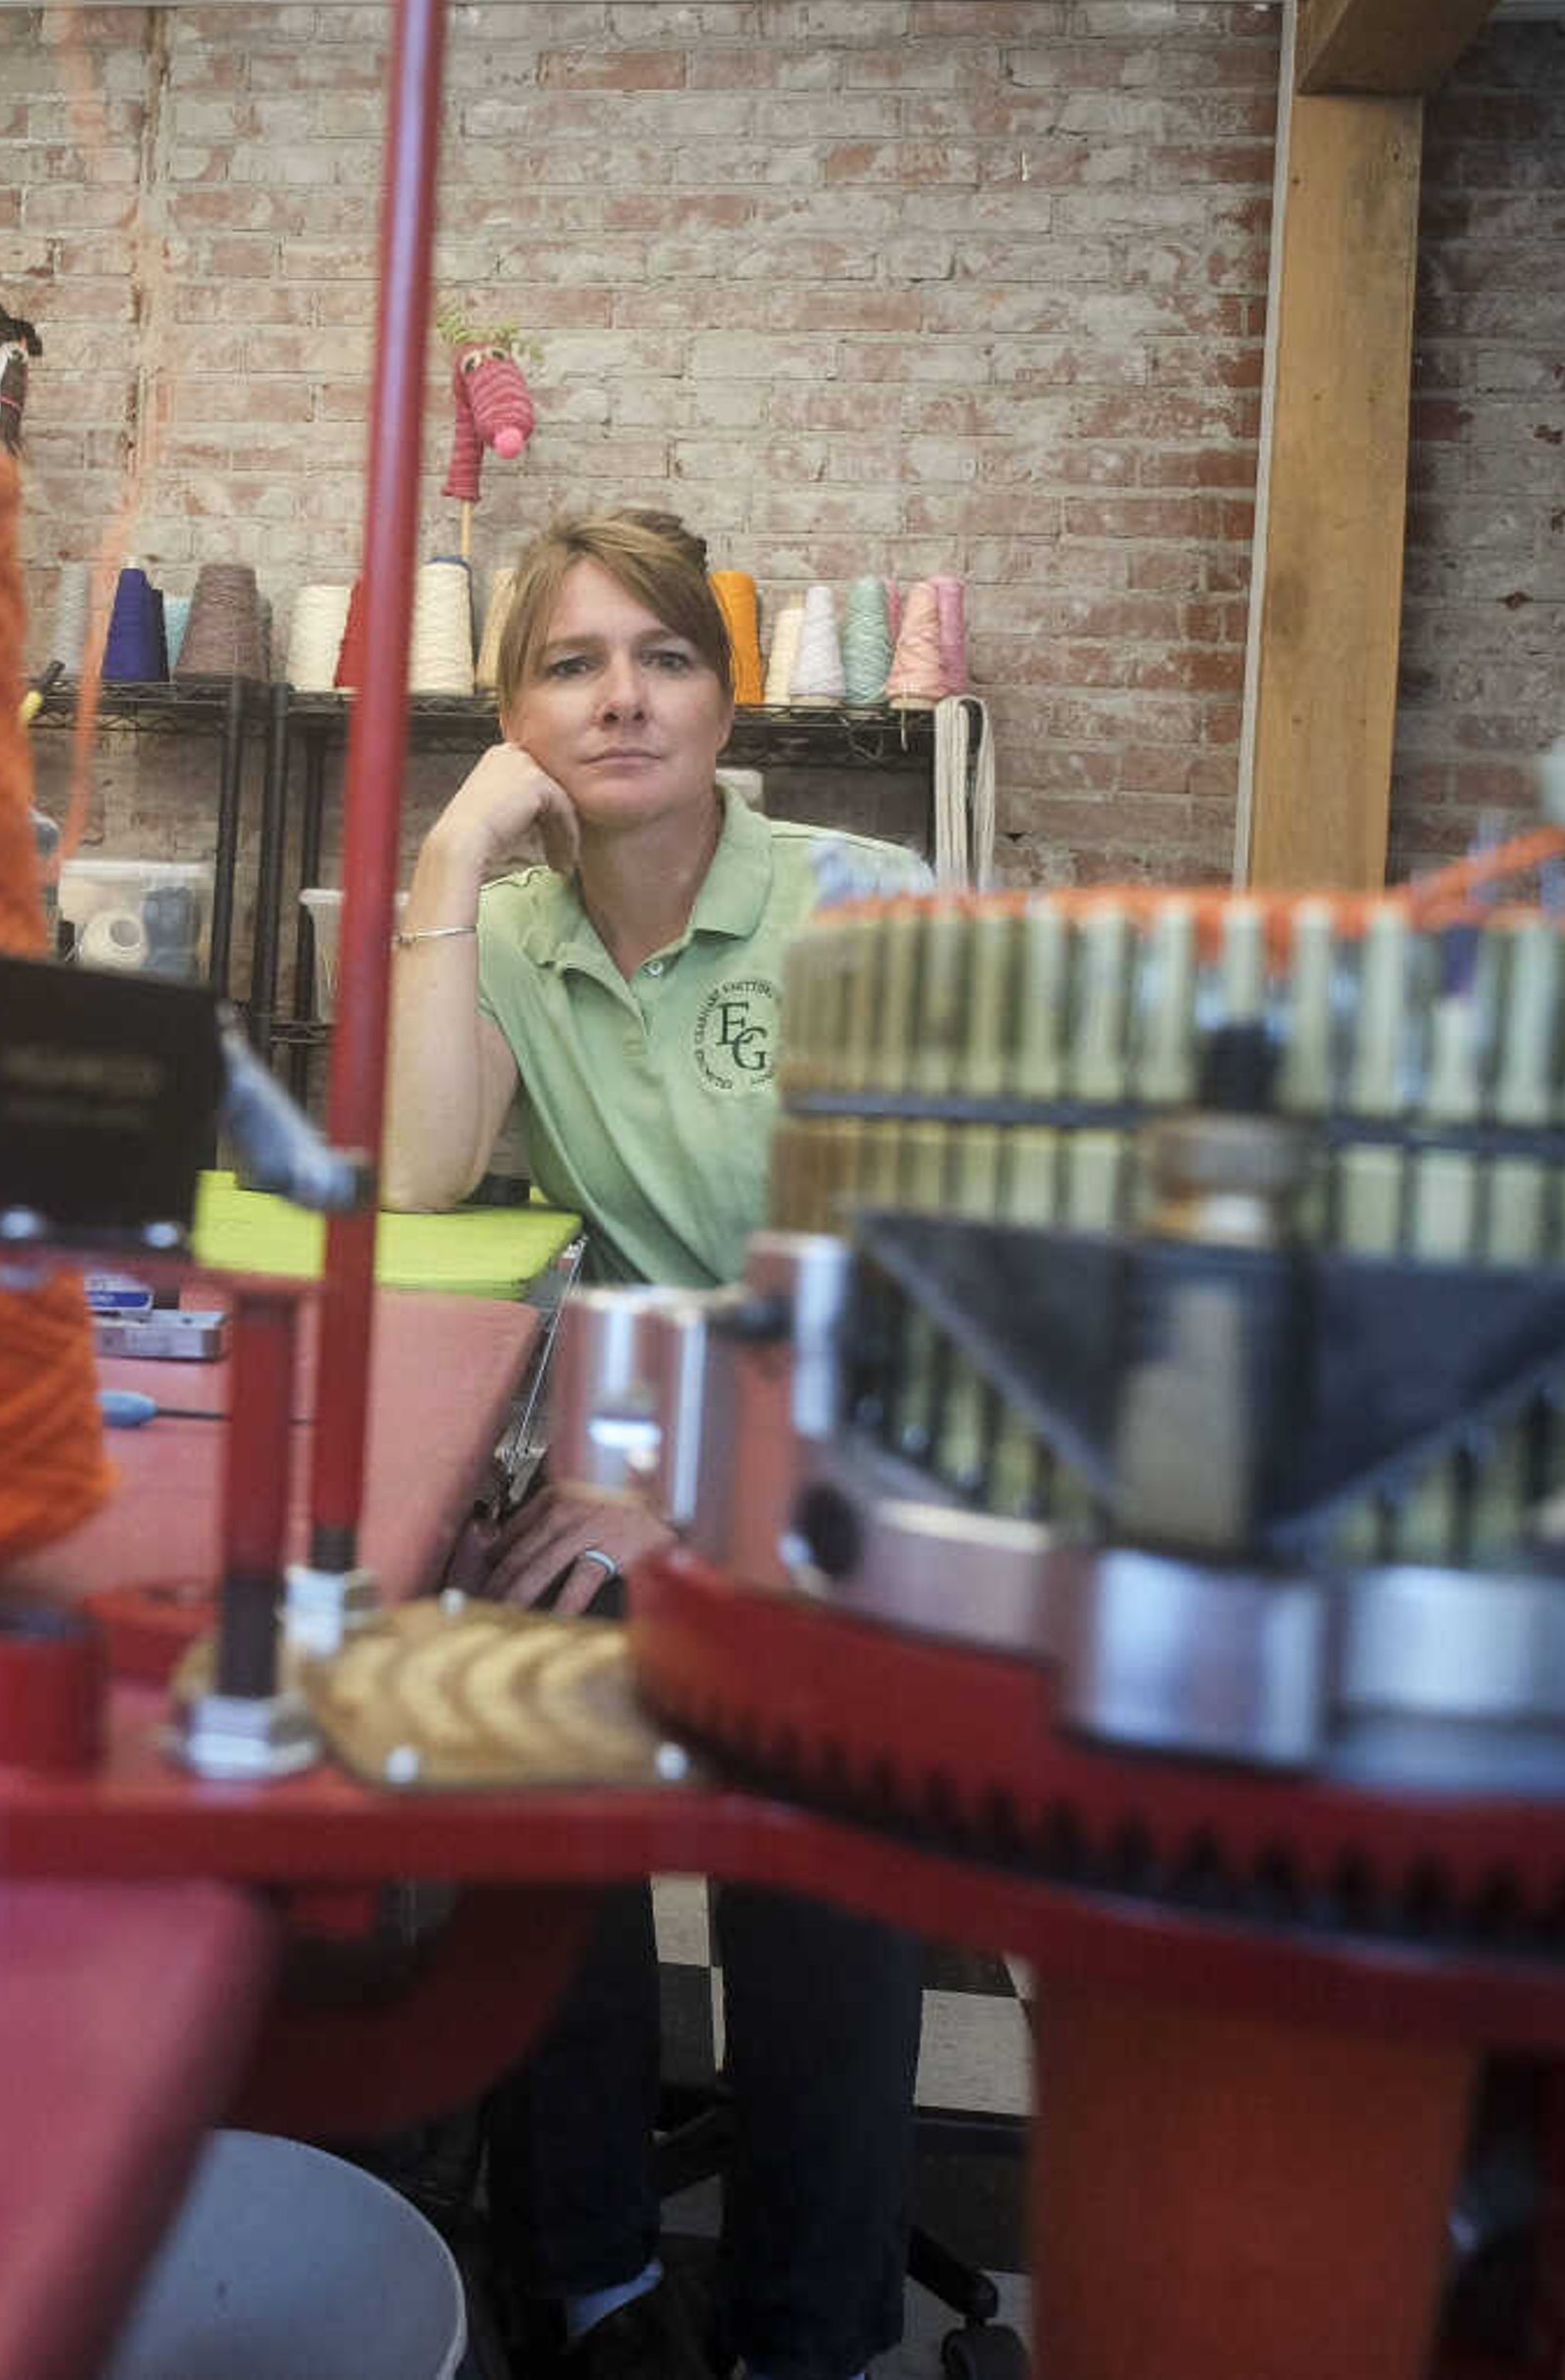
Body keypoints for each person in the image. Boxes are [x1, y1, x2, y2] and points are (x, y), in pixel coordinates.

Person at [385, 509, 931, 2380]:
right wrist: (453, 857)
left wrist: (665, 1460)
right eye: (568, 663)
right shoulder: (521, 934)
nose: (623, 698)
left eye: (665, 654)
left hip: (861, 1457)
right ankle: (594, 2284)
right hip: (639, 1455)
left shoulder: (866, 905)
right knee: (530, 1755)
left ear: (725, 683)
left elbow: (929, 1286)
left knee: (814, 1803)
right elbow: (418, 1170)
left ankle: (811, 2330)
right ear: (513, 710)